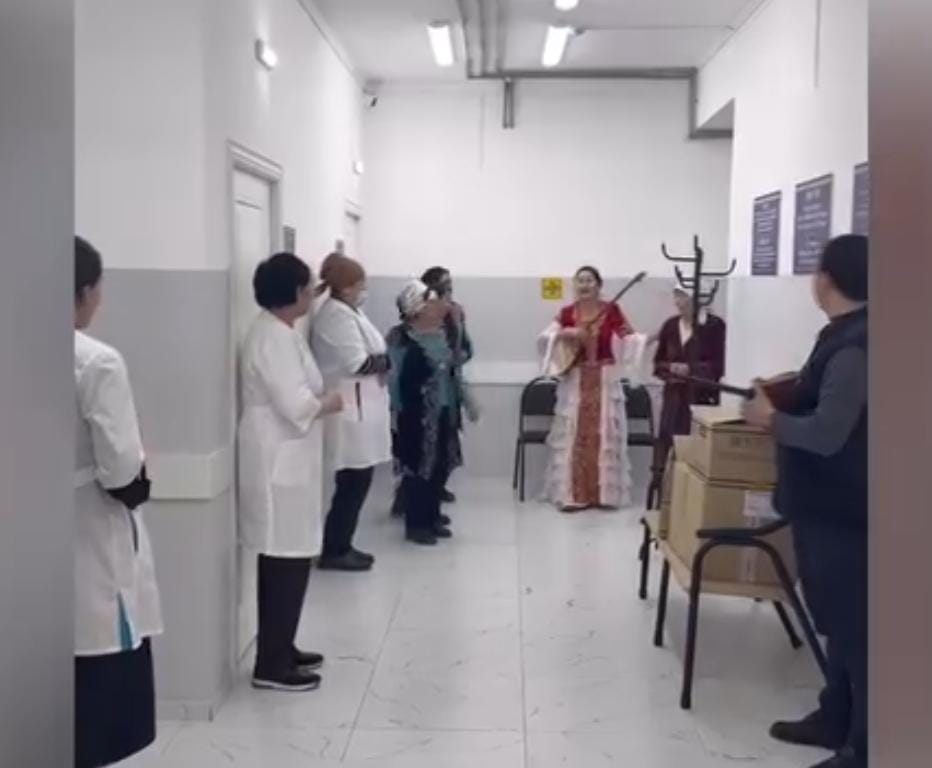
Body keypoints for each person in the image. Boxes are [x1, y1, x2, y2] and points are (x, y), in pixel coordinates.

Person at [743, 235, 868, 768]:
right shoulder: (843, 334)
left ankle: (866, 747)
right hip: (827, 507)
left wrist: (770, 419)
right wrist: (786, 391)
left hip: (847, 512)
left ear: (827, 279)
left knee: (859, 631)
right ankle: (834, 714)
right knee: (838, 621)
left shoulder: (857, 345)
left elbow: (828, 433)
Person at [74, 237, 163, 767]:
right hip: (87, 539)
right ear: (85, 291)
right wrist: (138, 478)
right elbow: (122, 469)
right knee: (93, 699)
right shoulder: (95, 362)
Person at [238, 252, 343, 692]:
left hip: (289, 458)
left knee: (292, 557)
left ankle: (282, 645)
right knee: (284, 559)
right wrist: (329, 403)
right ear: (295, 292)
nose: (313, 294)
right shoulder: (272, 338)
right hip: (277, 460)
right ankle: (271, 664)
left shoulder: (282, 332)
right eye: (309, 287)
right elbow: (295, 403)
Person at [539, 266, 646, 511]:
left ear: (599, 285)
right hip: (575, 380)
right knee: (573, 434)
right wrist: (567, 332)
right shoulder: (567, 312)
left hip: (604, 380)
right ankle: (572, 494)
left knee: (604, 432)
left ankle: (604, 495)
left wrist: (643, 340)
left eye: (589, 280)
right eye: (580, 281)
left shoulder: (612, 310)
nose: (584, 285)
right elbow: (546, 337)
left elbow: (628, 337)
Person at [310, 253, 392, 572]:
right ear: (346, 287)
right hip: (349, 410)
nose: (363, 290)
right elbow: (358, 363)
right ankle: (335, 549)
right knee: (353, 481)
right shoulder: (336, 317)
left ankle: (342, 544)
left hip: (361, 407)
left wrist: (383, 360)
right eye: (360, 285)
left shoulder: (348, 311)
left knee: (357, 480)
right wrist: (387, 362)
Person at [387, 281, 461, 545]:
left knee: (440, 465)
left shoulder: (442, 334)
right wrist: (396, 414)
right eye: (433, 302)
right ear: (417, 308)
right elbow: (395, 379)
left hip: (443, 410)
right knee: (420, 467)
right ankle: (416, 524)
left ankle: (432, 516)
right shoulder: (401, 338)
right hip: (416, 414)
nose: (441, 305)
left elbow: (453, 370)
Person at [420, 266, 477, 504]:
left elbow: (466, 348)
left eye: (449, 284)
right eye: (442, 284)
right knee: (424, 449)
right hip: (426, 390)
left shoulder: (455, 311)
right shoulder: (420, 312)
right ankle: (416, 503)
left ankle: (436, 493)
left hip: (451, 386)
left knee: (447, 445)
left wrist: (458, 357)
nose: (448, 289)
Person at [653, 285, 727, 466]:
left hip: (701, 400)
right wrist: (671, 367)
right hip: (673, 401)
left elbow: (719, 365)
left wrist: (691, 369)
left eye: (682, 296)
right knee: (669, 451)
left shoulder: (714, 326)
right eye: (676, 296)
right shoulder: (670, 326)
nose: (678, 302)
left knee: (698, 456)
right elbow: (658, 364)